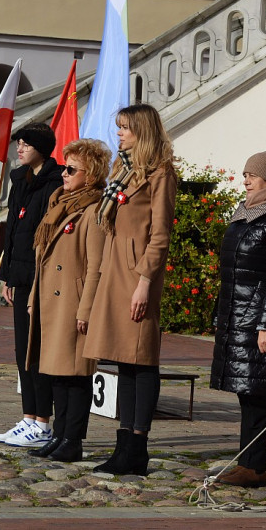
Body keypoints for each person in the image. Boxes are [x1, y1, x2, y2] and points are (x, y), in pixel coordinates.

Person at [83, 103, 178, 476]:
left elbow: (160, 235)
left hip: (138, 274)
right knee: (122, 360)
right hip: (115, 269)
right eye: (118, 126)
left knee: (141, 358)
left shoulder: (161, 173)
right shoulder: (122, 168)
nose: (119, 133)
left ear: (143, 130)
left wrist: (144, 282)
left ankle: (138, 445)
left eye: (125, 128)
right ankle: (123, 442)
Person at [210, 149, 266, 488]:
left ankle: (254, 467)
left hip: (258, 321)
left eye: (252, 174)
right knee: (246, 392)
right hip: (238, 316)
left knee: (258, 394)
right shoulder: (247, 213)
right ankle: (246, 462)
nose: (245, 179)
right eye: (245, 173)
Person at [25, 139, 111, 462]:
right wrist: (34, 296)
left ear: (90, 176)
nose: (64, 174)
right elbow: (42, 260)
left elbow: (95, 266)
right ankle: (59, 434)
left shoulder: (93, 210)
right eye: (64, 167)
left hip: (73, 302)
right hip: (51, 300)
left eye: (72, 169)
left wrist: (86, 308)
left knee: (76, 374)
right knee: (56, 373)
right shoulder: (58, 203)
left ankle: (73, 439)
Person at [0, 123, 64, 448]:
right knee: (23, 348)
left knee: (37, 350)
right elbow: (13, 233)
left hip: (42, 279)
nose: (19, 149)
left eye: (25, 144)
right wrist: (7, 275)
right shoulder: (18, 180)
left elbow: (43, 234)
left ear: (41, 148)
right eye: (18, 144)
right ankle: (28, 417)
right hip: (20, 276)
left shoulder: (54, 182)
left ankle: (42, 422)